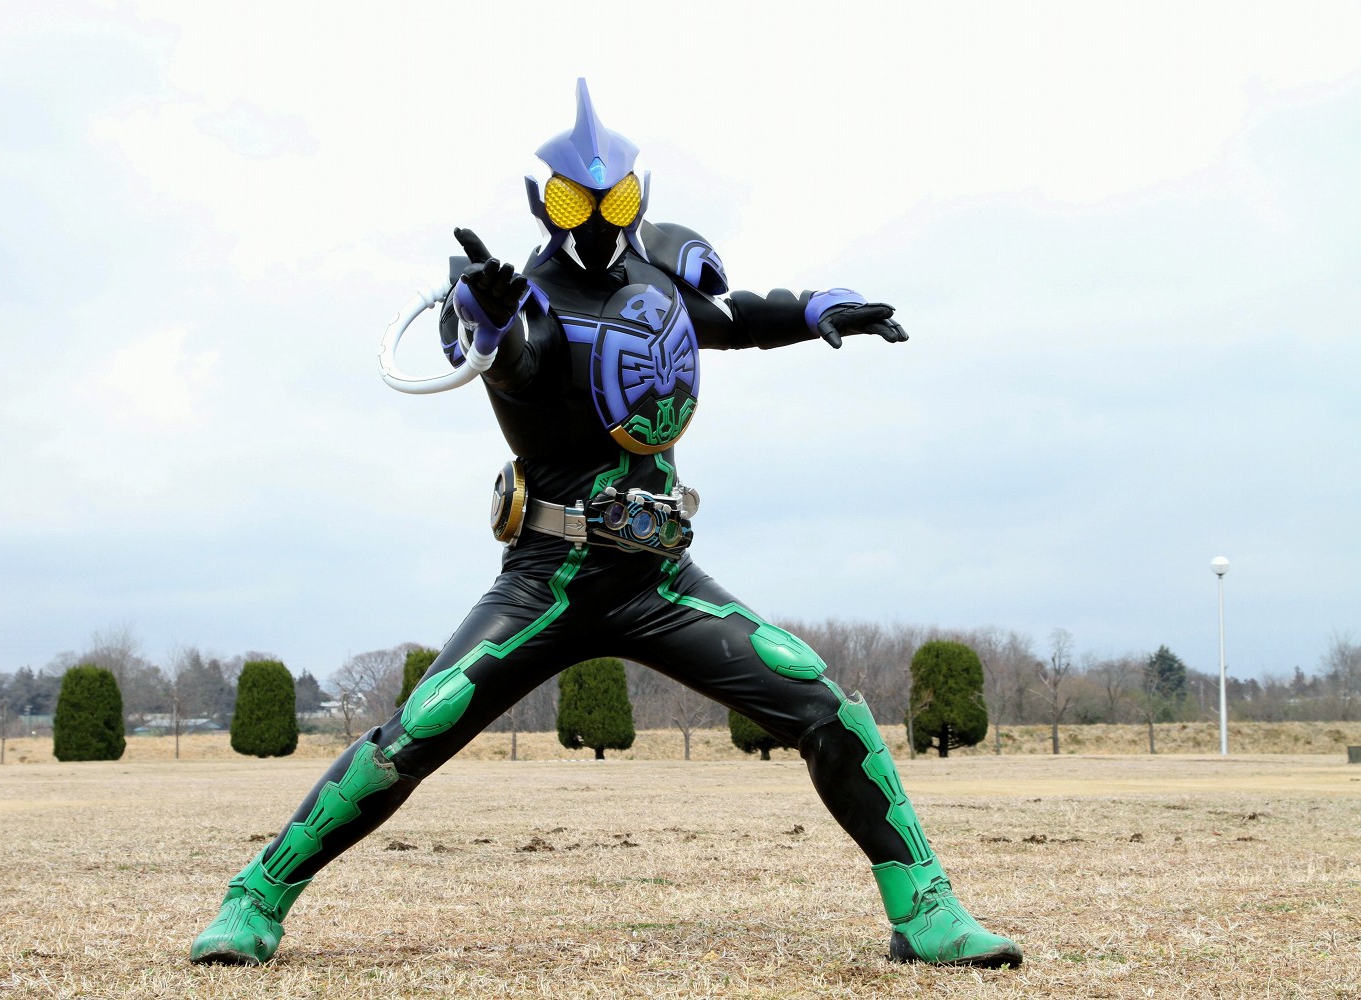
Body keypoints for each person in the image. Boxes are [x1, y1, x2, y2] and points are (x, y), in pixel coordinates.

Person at [190, 79, 1023, 970]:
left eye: (615, 199)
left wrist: (818, 309)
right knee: (420, 727)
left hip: (657, 579)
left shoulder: (659, 277)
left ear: (639, 196)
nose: (594, 218)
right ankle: (257, 896)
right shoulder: (523, 300)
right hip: (549, 580)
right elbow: (520, 362)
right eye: (572, 202)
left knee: (824, 706)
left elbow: (729, 318)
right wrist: (490, 322)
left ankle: (923, 906)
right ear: (541, 202)